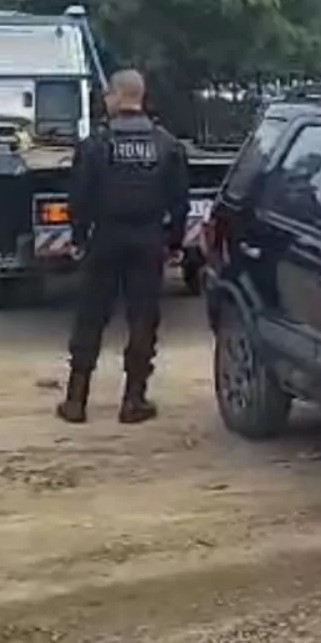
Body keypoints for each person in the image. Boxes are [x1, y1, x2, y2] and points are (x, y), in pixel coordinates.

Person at [56, 69, 190, 425]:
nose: (105, 101)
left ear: (117, 96)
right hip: (148, 241)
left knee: (90, 317)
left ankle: (75, 401)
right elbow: (180, 202)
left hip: (105, 239)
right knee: (143, 320)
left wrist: (79, 238)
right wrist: (175, 243)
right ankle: (134, 401)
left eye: (108, 95)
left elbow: (79, 199)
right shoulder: (166, 145)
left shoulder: (95, 145)